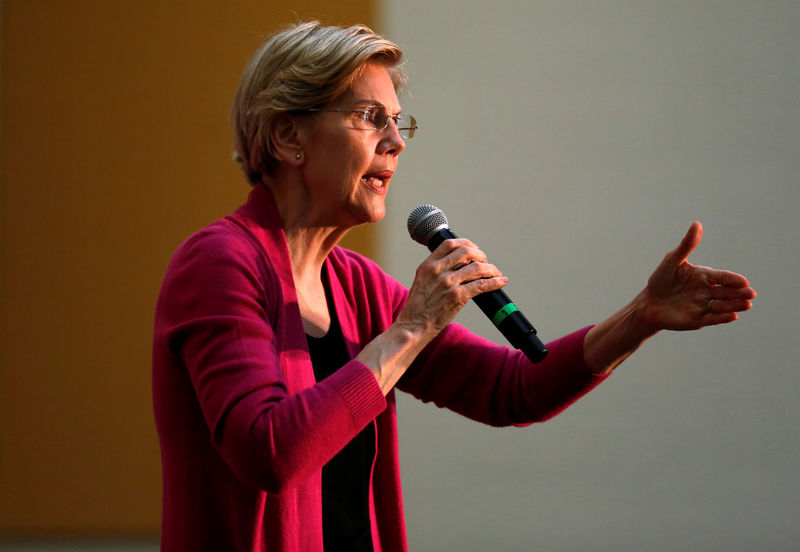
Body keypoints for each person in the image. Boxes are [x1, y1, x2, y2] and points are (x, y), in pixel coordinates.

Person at [152, 21, 756, 552]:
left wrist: (642, 315)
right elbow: (270, 452)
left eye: (399, 122)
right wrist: (411, 329)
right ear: (289, 137)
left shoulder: (355, 285)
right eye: (370, 119)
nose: (397, 142)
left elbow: (512, 389)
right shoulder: (221, 263)